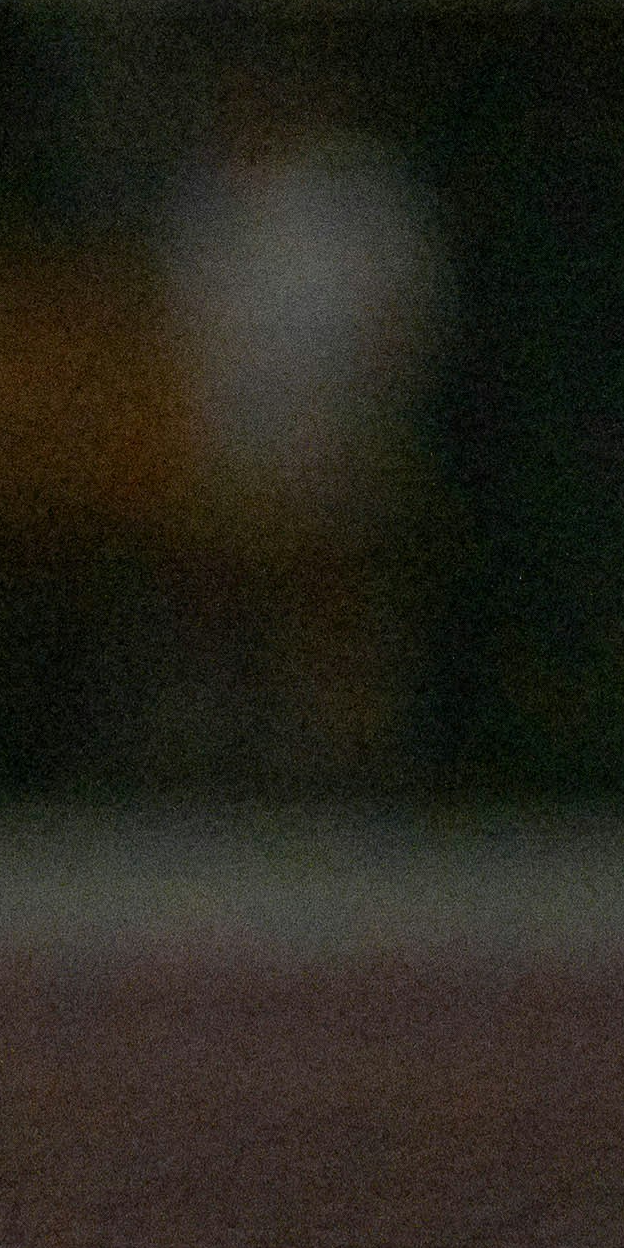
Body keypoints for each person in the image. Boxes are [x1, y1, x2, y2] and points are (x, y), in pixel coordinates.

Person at [142, 45, 442, 797]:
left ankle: (341, 759)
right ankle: (221, 752)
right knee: (214, 563)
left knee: (335, 576)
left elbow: (400, 329)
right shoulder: (205, 199)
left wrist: (346, 437)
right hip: (223, 454)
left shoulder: (358, 192)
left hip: (341, 447)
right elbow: (176, 338)